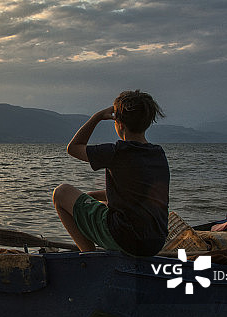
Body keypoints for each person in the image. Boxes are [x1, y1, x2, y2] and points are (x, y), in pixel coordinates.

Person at [52, 90, 169, 256]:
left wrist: (97, 117)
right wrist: (93, 195)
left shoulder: (117, 152)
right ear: (148, 122)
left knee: (61, 193)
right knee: (104, 205)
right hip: (154, 242)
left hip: (125, 238)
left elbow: (73, 148)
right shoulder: (158, 154)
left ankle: (89, 256)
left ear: (119, 123)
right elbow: (135, 195)